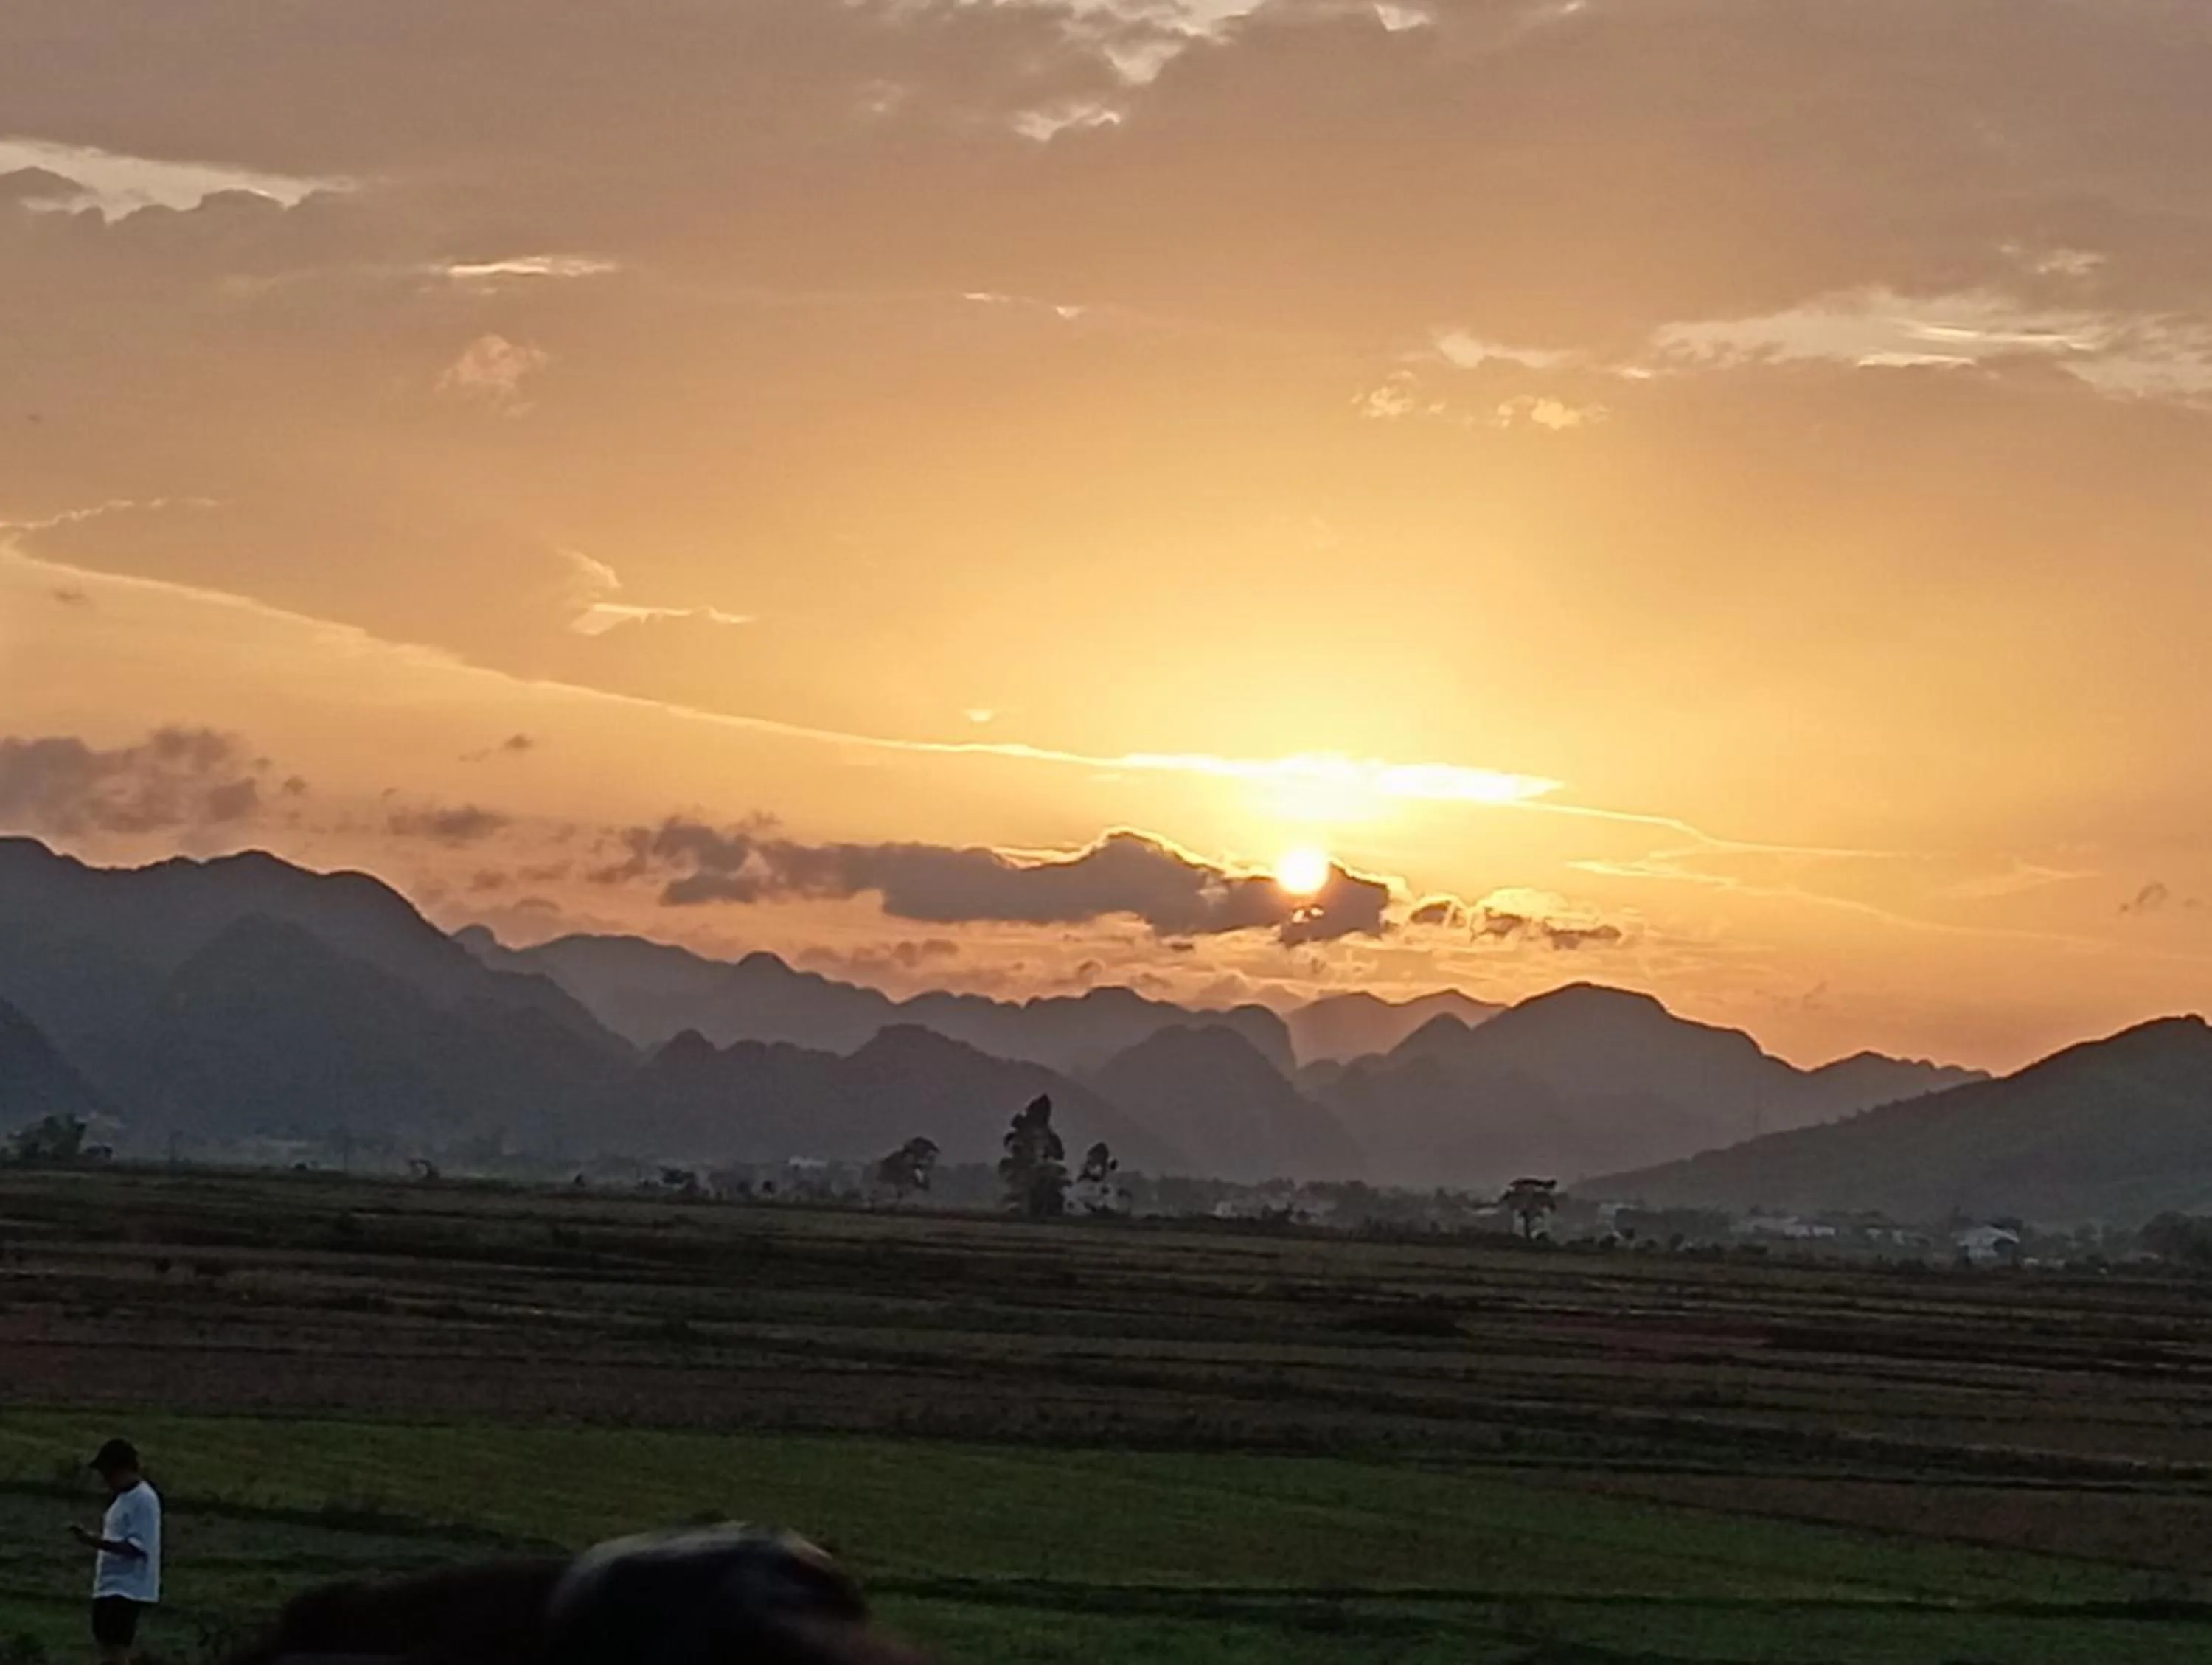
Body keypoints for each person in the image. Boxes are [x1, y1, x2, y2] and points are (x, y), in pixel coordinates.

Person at [69, 1438, 162, 1665]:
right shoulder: (122, 1500)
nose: (105, 1480)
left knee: (117, 1647)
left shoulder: (143, 1499)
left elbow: (138, 1547)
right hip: (110, 1585)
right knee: (106, 1644)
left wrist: (96, 1542)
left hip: (127, 1587)